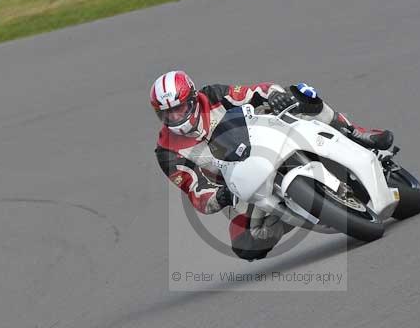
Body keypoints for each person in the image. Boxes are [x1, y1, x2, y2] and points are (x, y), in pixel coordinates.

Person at [151, 70, 393, 261]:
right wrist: (219, 196)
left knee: (302, 94)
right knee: (245, 244)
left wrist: (275, 95)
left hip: (265, 138)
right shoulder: (167, 151)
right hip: (239, 183)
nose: (175, 117)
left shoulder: (214, 95)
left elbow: (255, 92)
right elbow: (196, 191)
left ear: (193, 99)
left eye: (178, 109)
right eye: (167, 114)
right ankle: (296, 211)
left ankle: (355, 132)